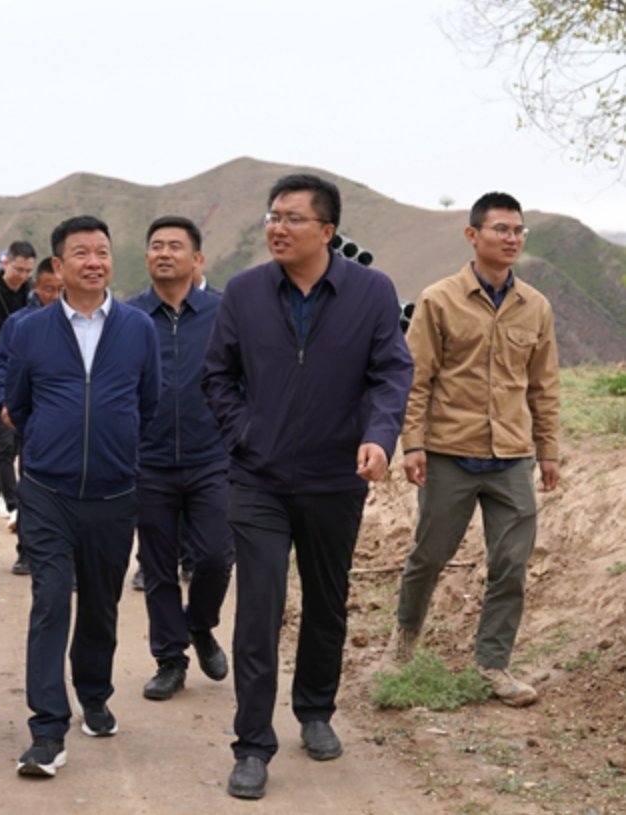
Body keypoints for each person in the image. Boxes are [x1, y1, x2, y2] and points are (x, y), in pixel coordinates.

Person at [202, 173, 413, 800]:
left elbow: (391, 372)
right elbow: (217, 376)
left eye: (292, 217)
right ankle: (251, 744)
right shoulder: (245, 291)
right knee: (258, 609)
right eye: (273, 215)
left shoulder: (371, 291)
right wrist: (245, 434)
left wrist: (379, 435)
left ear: (327, 230)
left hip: (335, 477)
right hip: (258, 478)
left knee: (326, 602)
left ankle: (315, 710)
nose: (278, 227)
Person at [383, 192, 560, 706]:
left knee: (512, 564)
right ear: (473, 235)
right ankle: (404, 642)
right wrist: (412, 444)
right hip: (449, 453)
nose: (511, 239)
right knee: (429, 556)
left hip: (512, 458)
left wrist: (548, 450)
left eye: (518, 231)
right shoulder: (439, 299)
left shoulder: (536, 306)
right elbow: (416, 378)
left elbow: (544, 385)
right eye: (501, 229)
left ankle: (493, 664)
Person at [6, 216, 161, 778]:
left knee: (101, 602)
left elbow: (147, 404)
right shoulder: (29, 330)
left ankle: (94, 695)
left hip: (115, 492)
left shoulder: (138, 328)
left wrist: (116, 451)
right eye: (81, 253)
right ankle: (47, 729)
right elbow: (19, 405)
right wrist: (54, 446)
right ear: (59, 265)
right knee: (51, 600)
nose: (94, 262)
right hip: (48, 490)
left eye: (102, 251)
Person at [126, 216, 233, 702]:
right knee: (158, 566)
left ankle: (200, 624)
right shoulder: (127, 318)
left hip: (212, 457)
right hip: (146, 461)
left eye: (175, 246)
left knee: (215, 557)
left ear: (198, 259)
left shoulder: (224, 313)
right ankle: (170, 660)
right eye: (156, 245)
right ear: (147, 256)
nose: (164, 253)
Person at [0, 258, 64, 575]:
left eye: (61, 290)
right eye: (49, 289)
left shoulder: (81, 323)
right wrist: (5, 402)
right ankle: (27, 551)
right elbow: (0, 365)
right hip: (31, 419)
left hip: (69, 421)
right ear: (37, 287)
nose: (55, 296)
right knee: (31, 486)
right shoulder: (19, 323)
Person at [0, 241, 36, 525]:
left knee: (13, 443)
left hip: (22, 377)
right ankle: (14, 506)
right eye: (18, 269)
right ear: (5, 263)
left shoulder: (31, 293)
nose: (22, 275)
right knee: (5, 441)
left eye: (27, 271)